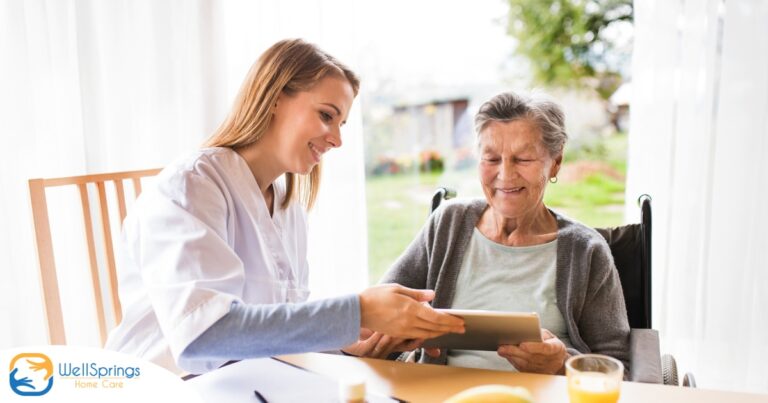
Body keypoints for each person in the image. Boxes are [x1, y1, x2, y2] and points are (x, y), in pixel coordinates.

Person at [105, 39, 464, 375]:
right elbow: (204, 338)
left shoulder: (288, 207)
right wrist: (358, 310)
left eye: (341, 124)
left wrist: (350, 343)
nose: (337, 139)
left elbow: (274, 332)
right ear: (275, 97)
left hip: (248, 385)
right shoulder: (191, 187)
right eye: (327, 115)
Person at [346, 91, 629, 375]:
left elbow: (623, 368)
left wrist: (562, 366)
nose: (505, 175)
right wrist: (371, 338)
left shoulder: (587, 250)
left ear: (555, 161)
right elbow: (373, 318)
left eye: (523, 159)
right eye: (491, 159)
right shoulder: (448, 223)